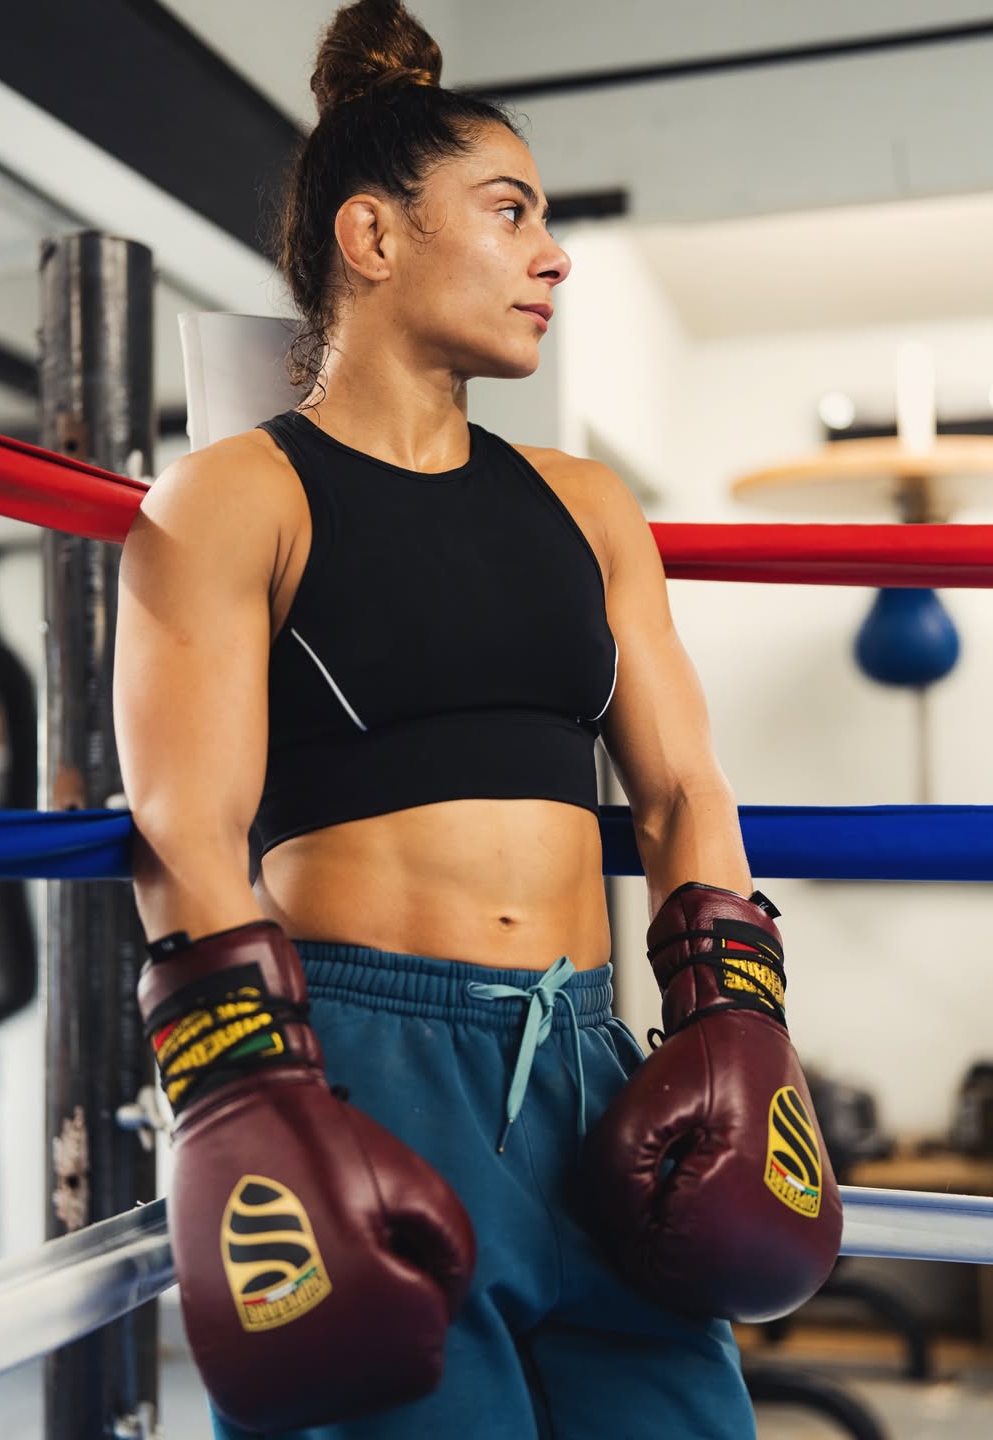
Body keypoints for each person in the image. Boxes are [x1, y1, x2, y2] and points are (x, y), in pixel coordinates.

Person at [114, 3, 840, 1437]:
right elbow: (184, 825)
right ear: (374, 237)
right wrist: (251, 1091)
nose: (553, 254)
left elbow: (683, 790)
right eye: (511, 213)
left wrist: (736, 1018)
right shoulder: (236, 495)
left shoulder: (588, 505)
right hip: (368, 1061)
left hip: (593, 1062)